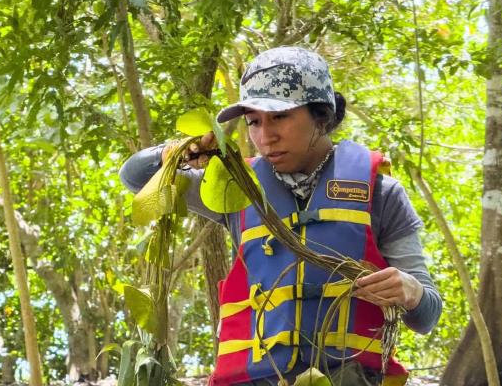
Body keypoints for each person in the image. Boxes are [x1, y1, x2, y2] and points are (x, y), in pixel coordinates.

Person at [119, 47, 441, 386]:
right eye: (254, 121)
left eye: (280, 117)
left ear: (321, 115)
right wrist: (179, 151)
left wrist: (410, 291)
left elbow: (427, 316)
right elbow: (136, 176)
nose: (264, 137)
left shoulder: (381, 193)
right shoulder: (236, 188)